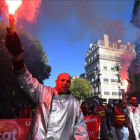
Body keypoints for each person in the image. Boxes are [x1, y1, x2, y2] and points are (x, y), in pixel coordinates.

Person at [5, 29, 89, 140]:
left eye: (68, 81)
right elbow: (27, 81)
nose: (65, 83)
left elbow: (80, 128)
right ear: (56, 82)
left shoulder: (75, 104)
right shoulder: (43, 92)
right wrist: (18, 57)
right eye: (62, 80)